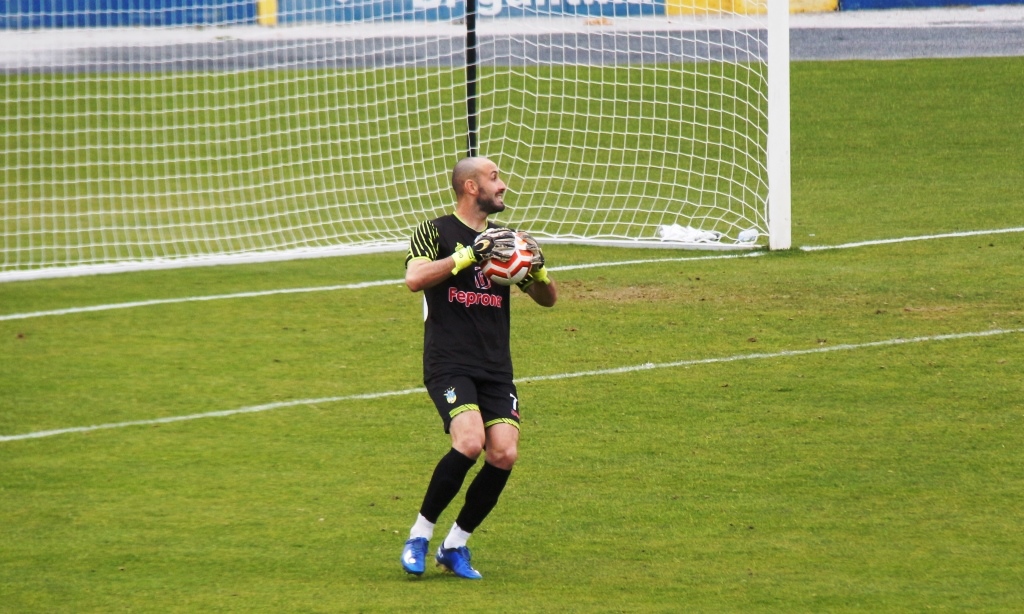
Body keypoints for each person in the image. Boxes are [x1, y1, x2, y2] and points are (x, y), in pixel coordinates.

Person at [400, 156, 557, 580]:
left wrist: (538, 269)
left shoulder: (506, 242)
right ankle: (419, 536)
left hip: (495, 366)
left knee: (504, 453)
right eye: (494, 178)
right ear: (471, 187)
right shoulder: (435, 231)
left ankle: (455, 545)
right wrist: (468, 256)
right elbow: (415, 279)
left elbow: (548, 300)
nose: (502, 185)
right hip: (449, 362)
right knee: (469, 442)